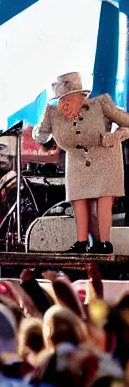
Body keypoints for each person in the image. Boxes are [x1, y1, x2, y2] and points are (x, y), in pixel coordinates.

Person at [32, 72, 129, 254]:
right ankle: (81, 241)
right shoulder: (53, 113)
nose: (64, 104)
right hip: (76, 160)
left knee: (103, 200)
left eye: (68, 98)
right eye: (60, 99)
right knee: (78, 199)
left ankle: (104, 243)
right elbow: (39, 136)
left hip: (105, 157)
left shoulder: (101, 104)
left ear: (80, 97)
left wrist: (116, 136)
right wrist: (43, 123)